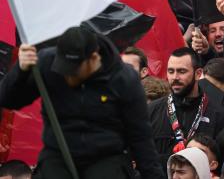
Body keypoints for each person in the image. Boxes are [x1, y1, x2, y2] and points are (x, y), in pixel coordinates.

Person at [0, 27, 163, 178]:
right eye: (65, 70)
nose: (69, 77)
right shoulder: (47, 62)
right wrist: (20, 71)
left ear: (93, 58)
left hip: (105, 156)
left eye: (74, 72)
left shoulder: (123, 78)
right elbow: (8, 100)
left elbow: (141, 137)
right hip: (59, 151)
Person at [148, 47, 224, 166]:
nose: (175, 77)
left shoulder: (219, 115)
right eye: (171, 71)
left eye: (182, 71)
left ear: (198, 74)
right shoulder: (151, 110)